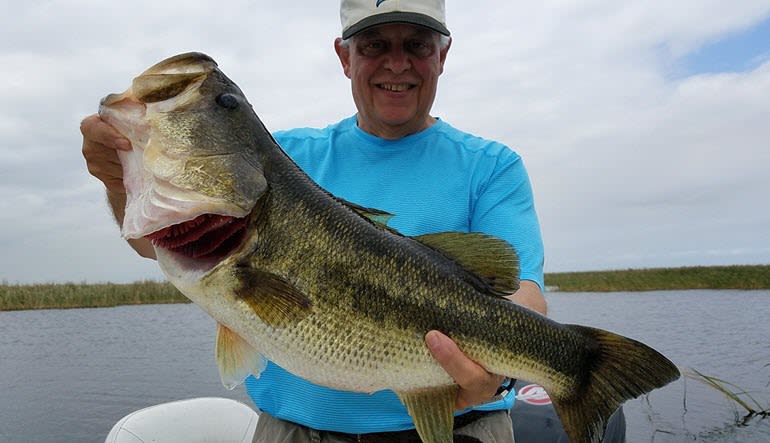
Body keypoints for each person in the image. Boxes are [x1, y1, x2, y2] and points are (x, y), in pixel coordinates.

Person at [81, 0, 547, 441]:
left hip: (456, 432)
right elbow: (154, 243)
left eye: (417, 45)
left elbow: (522, 296)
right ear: (345, 57)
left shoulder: (490, 166)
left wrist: (501, 370)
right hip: (293, 433)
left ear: (442, 55)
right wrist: (119, 183)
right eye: (375, 46)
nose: (397, 64)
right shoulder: (286, 158)